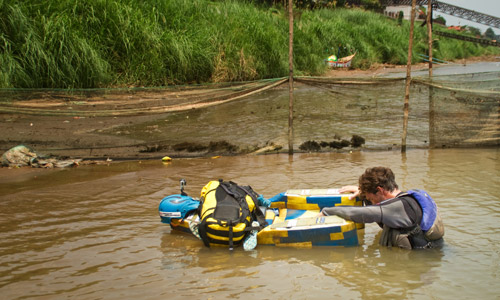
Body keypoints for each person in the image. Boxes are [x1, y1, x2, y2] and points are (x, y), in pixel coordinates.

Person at [319, 167, 444, 249]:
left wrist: (326, 211)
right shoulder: (407, 199)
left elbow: (359, 213)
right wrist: (363, 192)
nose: (371, 203)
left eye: (371, 199)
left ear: (380, 190)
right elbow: (378, 209)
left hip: (418, 258)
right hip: (431, 249)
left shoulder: (395, 208)